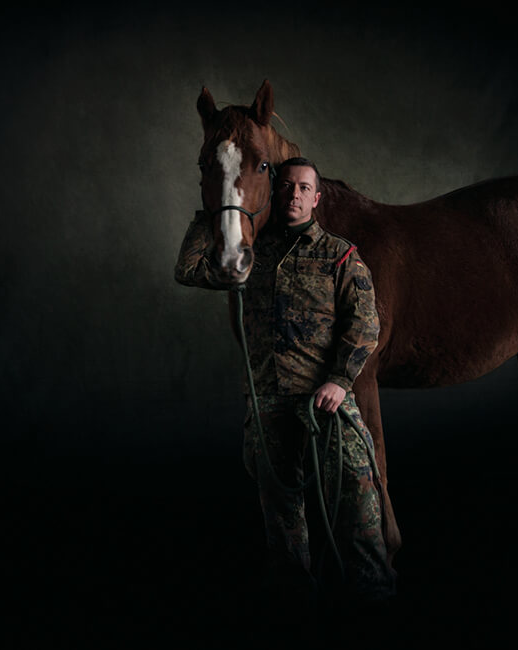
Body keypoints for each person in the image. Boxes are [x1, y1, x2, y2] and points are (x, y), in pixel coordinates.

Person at [174, 157, 395, 618]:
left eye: (303, 189)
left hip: (327, 404)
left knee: (358, 503)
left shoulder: (341, 255)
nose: (294, 195)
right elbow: (190, 269)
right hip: (270, 403)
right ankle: (296, 605)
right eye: (287, 187)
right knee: (281, 513)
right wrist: (213, 206)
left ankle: (373, 600)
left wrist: (339, 381)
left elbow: (366, 327)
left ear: (317, 198)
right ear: (276, 193)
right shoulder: (251, 258)